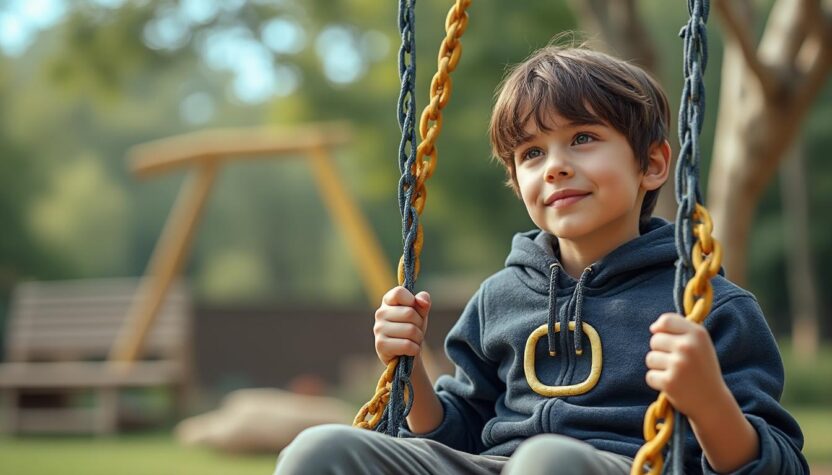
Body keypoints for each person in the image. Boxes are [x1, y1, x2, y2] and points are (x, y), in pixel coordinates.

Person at [275, 42, 808, 475]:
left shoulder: (706, 305)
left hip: (627, 466)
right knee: (319, 450)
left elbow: (779, 465)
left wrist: (708, 399)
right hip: (503, 465)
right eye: (532, 153)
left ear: (651, 163)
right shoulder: (501, 297)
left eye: (583, 138)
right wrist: (408, 373)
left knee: (546, 462)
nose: (554, 167)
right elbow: (459, 430)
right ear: (517, 181)